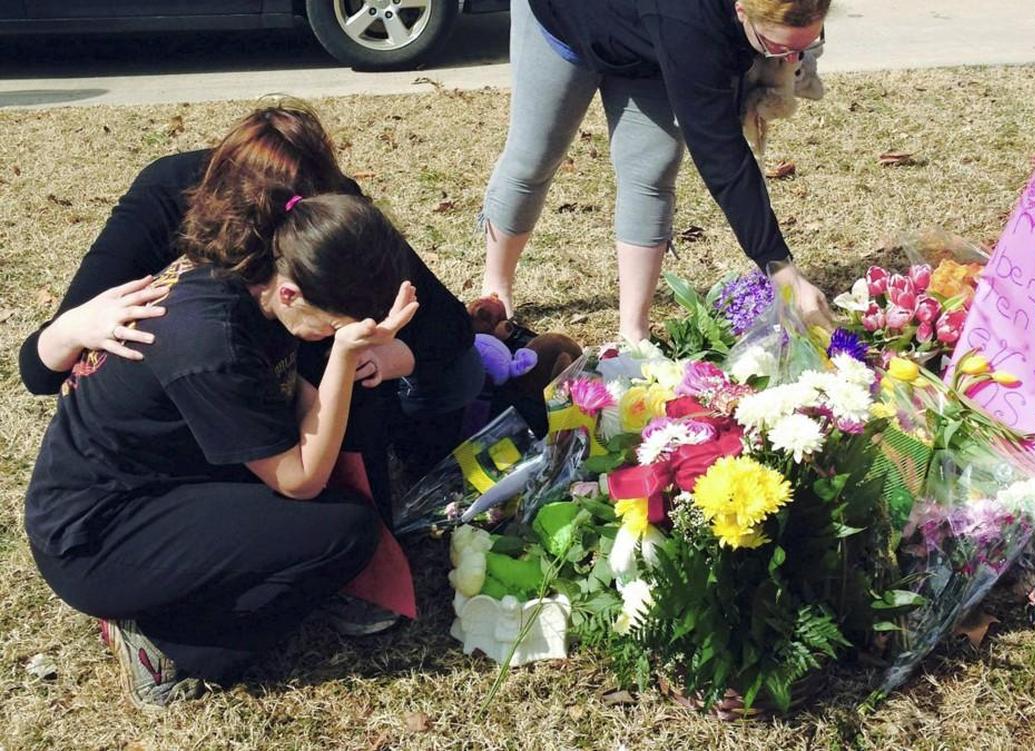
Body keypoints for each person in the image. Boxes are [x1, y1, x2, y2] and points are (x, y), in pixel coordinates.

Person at [26, 183, 420, 711]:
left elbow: (283, 393)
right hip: (97, 537)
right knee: (343, 534)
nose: (329, 338)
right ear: (290, 295)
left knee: (337, 494)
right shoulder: (210, 342)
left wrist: (352, 357)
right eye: (332, 328)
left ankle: (170, 592)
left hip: (153, 481)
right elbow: (301, 480)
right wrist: (344, 360)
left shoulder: (254, 272)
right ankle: (168, 646)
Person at [18, 103, 483, 508]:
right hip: (207, 413)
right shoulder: (168, 195)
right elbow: (37, 372)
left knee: (449, 376)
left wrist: (388, 355)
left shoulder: (333, 217)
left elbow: (445, 326)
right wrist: (75, 326)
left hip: (305, 373)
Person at [479, 0, 833, 342]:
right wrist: (780, 269)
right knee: (535, 156)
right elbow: (720, 153)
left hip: (650, 40)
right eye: (778, 47)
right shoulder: (688, 21)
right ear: (741, 9)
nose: (790, 60)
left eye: (803, 47)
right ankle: (494, 293)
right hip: (565, 18)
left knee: (652, 171)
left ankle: (634, 333)